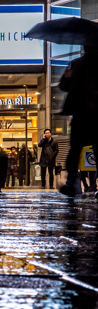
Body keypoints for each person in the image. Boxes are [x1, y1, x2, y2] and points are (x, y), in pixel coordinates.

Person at [58, 46, 98, 197]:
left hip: (91, 113)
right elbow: (64, 86)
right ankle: (71, 183)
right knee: (74, 150)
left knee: (75, 150)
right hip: (81, 113)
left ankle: (71, 183)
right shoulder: (76, 63)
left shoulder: (78, 63)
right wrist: (67, 77)